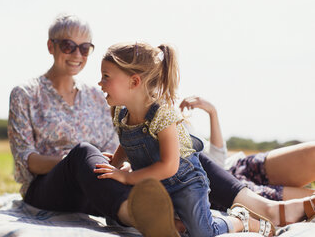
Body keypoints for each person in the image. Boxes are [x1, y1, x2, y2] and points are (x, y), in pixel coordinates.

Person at [8, 14, 314, 237]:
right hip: (52, 185)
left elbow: (122, 144)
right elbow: (27, 160)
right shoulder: (26, 93)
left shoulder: (97, 95)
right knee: (82, 153)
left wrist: (119, 167)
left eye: (84, 47)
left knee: (182, 149)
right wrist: (85, 162)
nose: (76, 54)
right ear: (51, 46)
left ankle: (263, 207)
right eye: (67, 45)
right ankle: (142, 217)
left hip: (103, 181)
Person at [94, 41, 282, 236]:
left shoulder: (163, 115)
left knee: (202, 232)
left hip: (185, 183)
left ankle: (239, 220)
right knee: (125, 218)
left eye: (106, 77)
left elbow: (169, 166)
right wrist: (115, 164)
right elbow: (128, 141)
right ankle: (180, 223)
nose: (100, 83)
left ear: (134, 82)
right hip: (152, 184)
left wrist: (127, 177)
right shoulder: (120, 113)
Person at [179, 96, 315, 201]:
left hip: (238, 165)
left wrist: (212, 112)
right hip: (225, 187)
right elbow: (216, 164)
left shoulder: (177, 117)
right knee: (309, 201)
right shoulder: (164, 122)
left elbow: (218, 157)